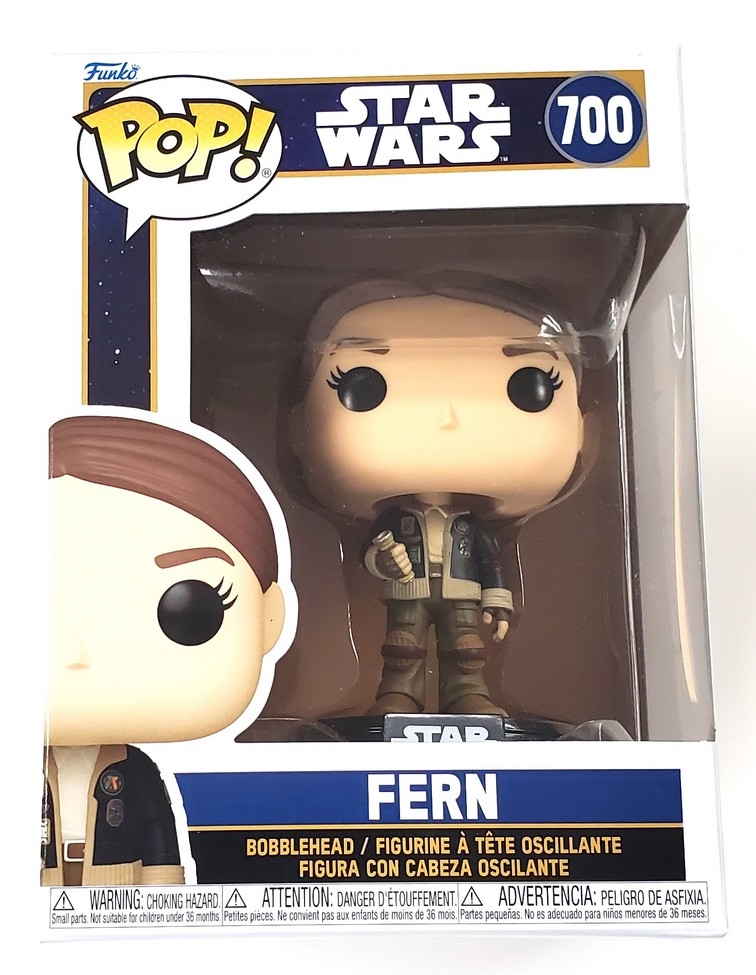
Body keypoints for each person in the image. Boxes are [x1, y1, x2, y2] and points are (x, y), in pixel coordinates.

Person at [291, 275, 584, 716]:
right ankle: (398, 696)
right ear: (298, 425)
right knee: (402, 646)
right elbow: (371, 553)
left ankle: (468, 696)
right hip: (407, 589)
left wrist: (498, 601)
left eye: (530, 386)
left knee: (465, 647)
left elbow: (491, 561)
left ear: (580, 429)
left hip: (461, 589)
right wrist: (382, 561)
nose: (448, 417)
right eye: (362, 384)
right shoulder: (395, 520)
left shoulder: (472, 525)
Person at [42, 414, 287, 885]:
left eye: (189, 608)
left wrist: (163, 887)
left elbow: (157, 833)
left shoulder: (134, 771)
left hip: (116, 885)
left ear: (268, 618)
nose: (77, 653)